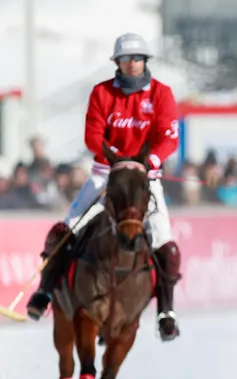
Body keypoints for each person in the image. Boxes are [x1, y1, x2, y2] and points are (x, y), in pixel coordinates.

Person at [25, 33, 183, 341]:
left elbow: (169, 136)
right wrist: (114, 159)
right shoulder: (102, 93)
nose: (132, 64)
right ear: (117, 63)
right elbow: (93, 135)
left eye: (137, 58)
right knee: (66, 229)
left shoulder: (161, 94)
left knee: (166, 243)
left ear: (145, 62)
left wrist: (148, 160)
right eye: (126, 59)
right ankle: (44, 291)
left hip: (145, 178)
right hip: (105, 174)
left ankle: (166, 312)